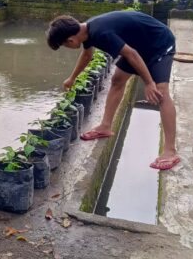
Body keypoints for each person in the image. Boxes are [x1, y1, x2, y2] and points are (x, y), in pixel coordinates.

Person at [46, 11, 180, 170]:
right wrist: (72, 78)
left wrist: (149, 82)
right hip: (139, 46)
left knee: (161, 92)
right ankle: (105, 126)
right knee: (117, 80)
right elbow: (87, 55)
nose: (67, 48)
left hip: (159, 43)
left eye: (64, 45)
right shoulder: (86, 30)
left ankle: (170, 151)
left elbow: (132, 54)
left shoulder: (101, 32)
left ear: (70, 40)